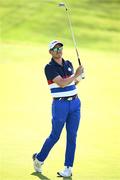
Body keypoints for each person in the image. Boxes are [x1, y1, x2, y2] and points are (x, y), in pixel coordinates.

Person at [32, 40, 84, 177]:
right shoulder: (49, 67)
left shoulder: (69, 64)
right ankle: (39, 159)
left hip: (75, 103)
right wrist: (75, 75)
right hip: (60, 105)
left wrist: (80, 77)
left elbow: (72, 83)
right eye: (55, 49)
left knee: (72, 136)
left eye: (60, 47)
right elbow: (61, 83)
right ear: (50, 52)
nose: (58, 50)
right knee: (55, 135)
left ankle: (68, 167)